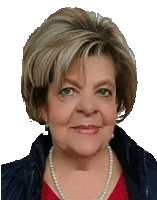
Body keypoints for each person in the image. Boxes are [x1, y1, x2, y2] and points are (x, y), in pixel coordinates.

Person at [1, 7, 157, 200]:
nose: (88, 107)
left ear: (117, 102)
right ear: (41, 104)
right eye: (68, 90)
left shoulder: (154, 180)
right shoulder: (4, 187)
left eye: (103, 91)